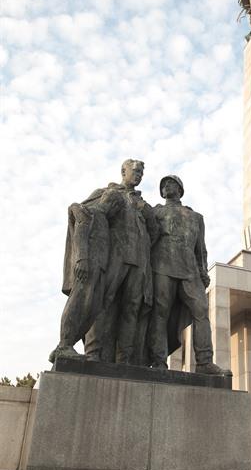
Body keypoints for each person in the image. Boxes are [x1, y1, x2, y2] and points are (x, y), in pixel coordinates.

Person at [147, 175, 231, 375]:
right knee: (160, 312)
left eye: (171, 183)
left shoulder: (195, 217)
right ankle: (159, 361)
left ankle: (204, 362)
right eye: (164, 185)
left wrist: (202, 271)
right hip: (162, 267)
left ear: (180, 189)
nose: (167, 186)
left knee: (201, 311)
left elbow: (200, 249)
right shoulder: (155, 212)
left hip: (190, 270)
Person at [83, 159, 156, 364]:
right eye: (136, 171)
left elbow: (155, 234)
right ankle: (93, 353)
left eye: (142, 172)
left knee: (132, 309)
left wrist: (147, 215)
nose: (139, 175)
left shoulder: (143, 204)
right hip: (115, 256)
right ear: (123, 171)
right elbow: (92, 215)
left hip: (139, 261)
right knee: (102, 302)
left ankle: (125, 359)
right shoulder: (110, 193)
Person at [49, 189, 123, 362]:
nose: (115, 213)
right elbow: (80, 235)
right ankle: (64, 344)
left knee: (93, 308)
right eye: (116, 209)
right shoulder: (92, 212)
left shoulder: (104, 220)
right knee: (78, 303)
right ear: (112, 203)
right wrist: (82, 259)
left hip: (99, 270)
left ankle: (66, 346)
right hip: (88, 266)